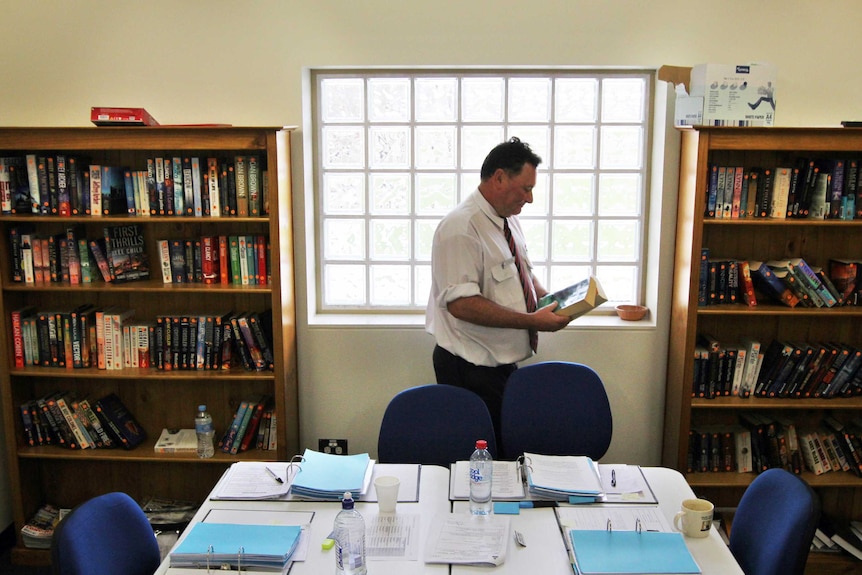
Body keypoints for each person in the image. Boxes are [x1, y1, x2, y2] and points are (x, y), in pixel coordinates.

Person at [426, 137, 571, 450]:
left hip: (498, 364)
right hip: (468, 366)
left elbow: (523, 274)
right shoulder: (461, 227)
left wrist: (550, 301)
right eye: (526, 188)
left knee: (506, 451)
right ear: (499, 177)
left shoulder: (507, 219)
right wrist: (531, 320)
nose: (530, 199)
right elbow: (462, 305)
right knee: (482, 459)